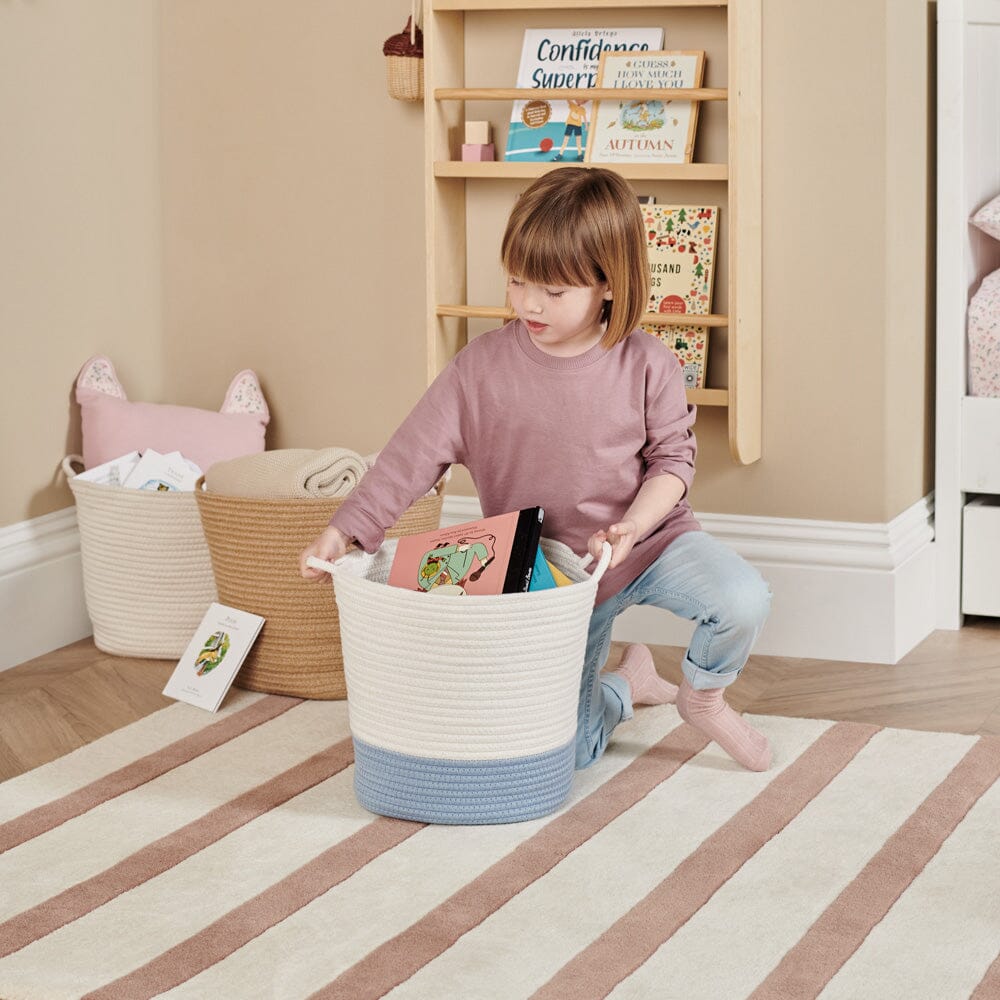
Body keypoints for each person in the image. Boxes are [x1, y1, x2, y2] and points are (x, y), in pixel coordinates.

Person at [300, 167, 773, 772]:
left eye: (553, 290)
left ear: (608, 283)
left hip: (653, 543)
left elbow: (673, 464)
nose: (527, 302)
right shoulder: (479, 370)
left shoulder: (649, 363)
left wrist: (632, 527)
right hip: (550, 577)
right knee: (569, 753)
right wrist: (344, 530)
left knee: (743, 598)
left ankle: (701, 697)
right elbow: (406, 459)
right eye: (518, 280)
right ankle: (628, 685)